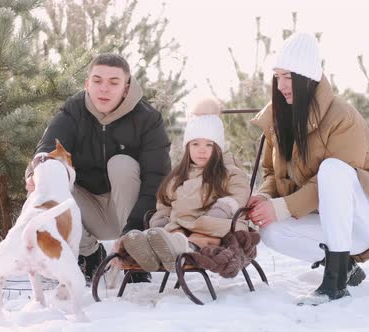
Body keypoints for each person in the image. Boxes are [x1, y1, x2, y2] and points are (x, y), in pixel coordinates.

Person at [247, 32, 369, 304]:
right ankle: (345, 266)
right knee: (270, 230)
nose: (281, 84)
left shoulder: (344, 117)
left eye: (288, 76)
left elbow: (336, 181)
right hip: (329, 225)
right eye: (277, 76)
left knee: (333, 169)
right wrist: (263, 198)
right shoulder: (279, 118)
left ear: (307, 77)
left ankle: (335, 283)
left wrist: (283, 206)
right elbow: (273, 174)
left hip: (367, 220)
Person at [26, 53, 171, 283]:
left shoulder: (148, 119)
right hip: (88, 210)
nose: (104, 89)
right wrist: (36, 173)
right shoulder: (74, 110)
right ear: (87, 84)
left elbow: (157, 180)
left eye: (113, 82)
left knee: (121, 164)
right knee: (50, 175)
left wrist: (132, 233)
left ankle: (134, 257)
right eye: (97, 81)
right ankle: (89, 254)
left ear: (126, 87)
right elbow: (48, 147)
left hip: (130, 211)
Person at [117, 98, 251, 272]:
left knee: (200, 236)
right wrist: (161, 217)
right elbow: (166, 201)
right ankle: (152, 250)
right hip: (182, 224)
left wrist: (224, 207)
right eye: (195, 144)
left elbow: (240, 192)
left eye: (209, 145)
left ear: (218, 148)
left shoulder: (229, 171)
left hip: (215, 224)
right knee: (174, 233)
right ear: (188, 147)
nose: (201, 150)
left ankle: (186, 250)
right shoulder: (179, 176)